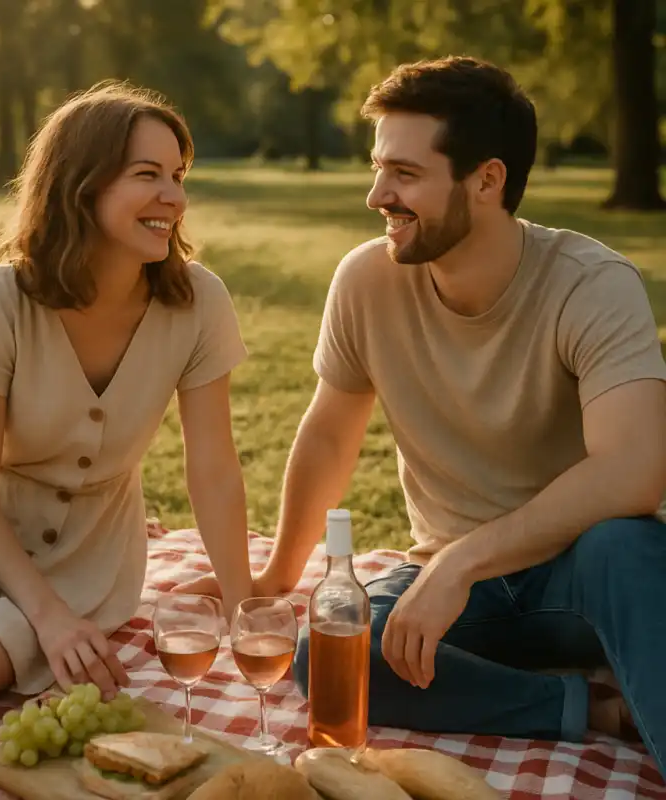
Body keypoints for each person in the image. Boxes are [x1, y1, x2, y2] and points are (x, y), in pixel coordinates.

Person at [176, 57, 666, 777]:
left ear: (487, 180)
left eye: (404, 174)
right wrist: (278, 575)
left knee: (627, 549)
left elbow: (634, 471)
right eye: (378, 169)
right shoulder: (367, 280)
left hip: (575, 581)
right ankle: (582, 710)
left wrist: (463, 561)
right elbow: (329, 434)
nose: (378, 195)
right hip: (449, 594)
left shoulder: (592, 286)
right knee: (334, 651)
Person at [0, 81, 254, 711]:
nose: (174, 197)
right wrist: (46, 616)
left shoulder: (199, 302)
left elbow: (213, 469)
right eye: (148, 174)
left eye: (178, 175)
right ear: (83, 184)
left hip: (83, 551)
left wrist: (243, 609)